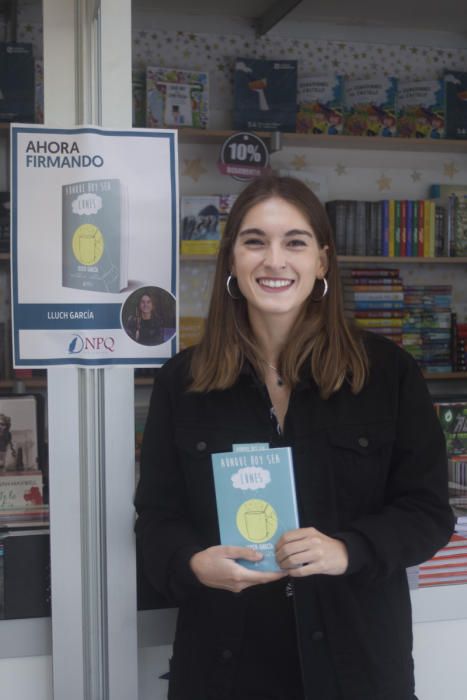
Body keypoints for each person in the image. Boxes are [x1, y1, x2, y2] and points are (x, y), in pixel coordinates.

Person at [134, 174, 454, 700]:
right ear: (232, 261)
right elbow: (157, 519)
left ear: (322, 262)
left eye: (295, 243)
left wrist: (346, 551)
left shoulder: (389, 374)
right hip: (224, 664)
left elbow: (427, 512)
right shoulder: (182, 382)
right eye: (255, 241)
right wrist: (194, 564)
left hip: (358, 664)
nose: (274, 261)